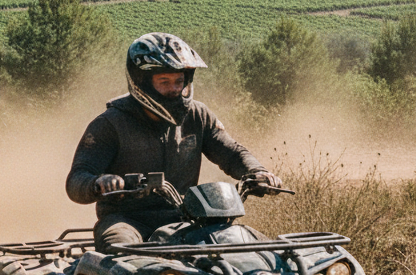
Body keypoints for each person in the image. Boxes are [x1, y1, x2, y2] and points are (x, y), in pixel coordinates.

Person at [66, 32, 280, 250]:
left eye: (179, 81)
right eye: (164, 81)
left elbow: (231, 152)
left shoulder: (198, 115)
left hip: (187, 220)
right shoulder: (110, 124)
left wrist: (257, 171)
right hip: (128, 221)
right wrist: (99, 183)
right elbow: (77, 179)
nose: (175, 89)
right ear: (141, 81)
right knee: (121, 250)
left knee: (257, 249)